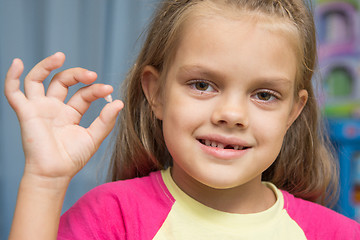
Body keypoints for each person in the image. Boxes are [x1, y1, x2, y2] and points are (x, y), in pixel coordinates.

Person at [4, 0, 360, 239]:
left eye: (264, 95)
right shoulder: (113, 217)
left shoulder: (337, 234)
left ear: (293, 112)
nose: (231, 115)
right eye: (202, 85)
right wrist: (45, 180)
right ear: (156, 93)